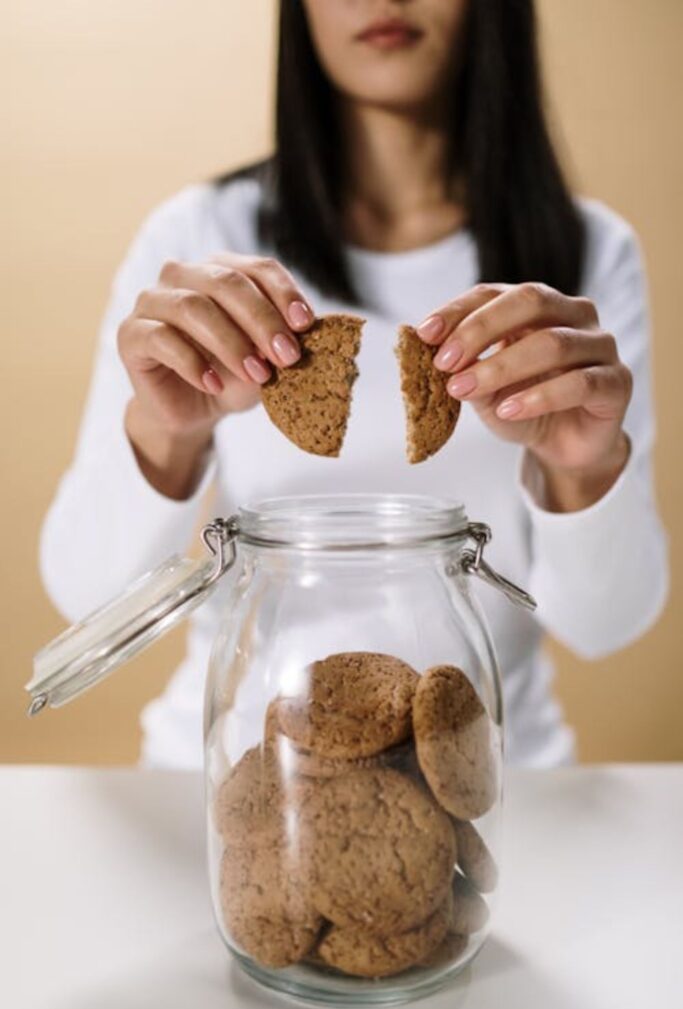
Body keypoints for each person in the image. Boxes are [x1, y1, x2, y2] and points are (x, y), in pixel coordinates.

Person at [40, 0, 668, 769]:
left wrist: (579, 467)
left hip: (488, 779)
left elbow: (605, 624)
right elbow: (85, 599)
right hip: (236, 767)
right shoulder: (199, 237)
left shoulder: (583, 254)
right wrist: (168, 429)